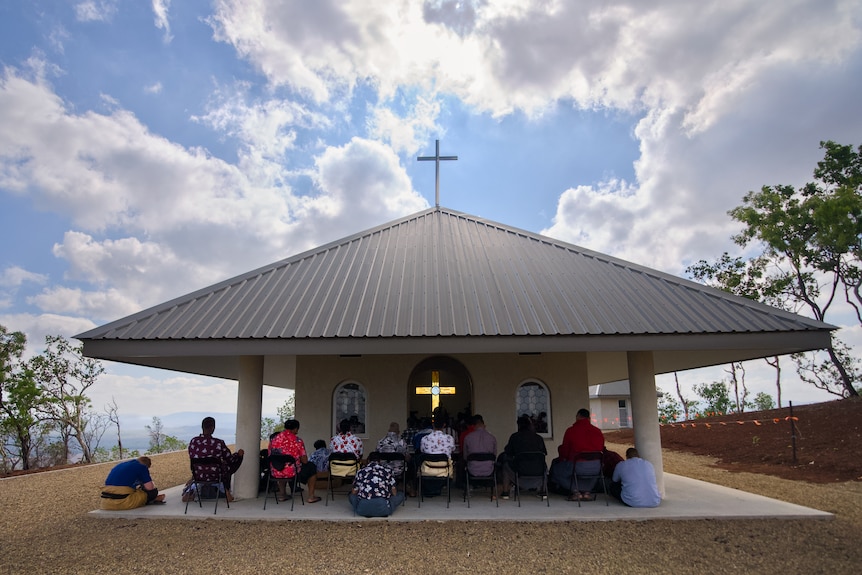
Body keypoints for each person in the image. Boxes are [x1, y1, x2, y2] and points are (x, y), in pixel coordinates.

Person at [187, 416, 245, 502]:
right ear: (213, 428)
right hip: (216, 476)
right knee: (229, 466)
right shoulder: (218, 443)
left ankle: (190, 492)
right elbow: (230, 459)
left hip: (198, 475)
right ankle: (227, 490)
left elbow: (192, 457)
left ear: (202, 427)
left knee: (202, 466)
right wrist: (238, 455)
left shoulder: (193, 441)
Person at [554, 408, 605, 501]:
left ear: (578, 416)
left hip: (577, 466)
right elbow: (602, 448)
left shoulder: (571, 431)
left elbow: (565, 450)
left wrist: (563, 459)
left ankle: (576, 492)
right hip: (596, 467)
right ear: (589, 418)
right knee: (593, 475)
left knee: (556, 471)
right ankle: (587, 492)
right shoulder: (597, 431)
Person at [269, 419, 322, 503]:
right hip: (292, 472)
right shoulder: (297, 440)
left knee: (281, 465)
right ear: (296, 429)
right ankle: (311, 497)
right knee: (311, 467)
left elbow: (270, 454)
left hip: (275, 471)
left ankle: (282, 495)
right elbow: (304, 461)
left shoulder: (274, 439)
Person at [500, 415, 547, 500]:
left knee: (505, 465)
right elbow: (544, 453)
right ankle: (543, 492)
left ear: (519, 425)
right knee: (544, 464)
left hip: (520, 473)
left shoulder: (515, 437)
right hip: (538, 473)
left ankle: (505, 492)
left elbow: (508, 452)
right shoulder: (539, 438)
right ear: (530, 425)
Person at [348, 451, 406, 517]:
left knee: (351, 496)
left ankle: (366, 509)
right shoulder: (387, 471)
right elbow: (394, 493)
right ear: (380, 461)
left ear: (368, 460)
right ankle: (383, 509)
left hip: (362, 509)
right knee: (400, 495)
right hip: (383, 508)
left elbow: (354, 492)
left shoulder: (361, 471)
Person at [100, 456, 165, 510]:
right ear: (147, 466)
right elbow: (150, 487)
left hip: (105, 502)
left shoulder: (120, 465)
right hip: (122, 501)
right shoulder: (142, 467)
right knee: (153, 493)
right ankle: (151, 500)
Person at [462, 414, 498, 499]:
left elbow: (465, 456)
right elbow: (494, 455)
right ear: (484, 425)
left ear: (474, 426)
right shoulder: (492, 438)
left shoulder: (468, 437)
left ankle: (468, 488)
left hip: (472, 470)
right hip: (489, 470)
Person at [419, 416, 456, 497]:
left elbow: (422, 451)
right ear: (444, 425)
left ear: (433, 425)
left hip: (428, 470)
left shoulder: (425, 438)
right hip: (445, 470)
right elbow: (453, 450)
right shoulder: (449, 438)